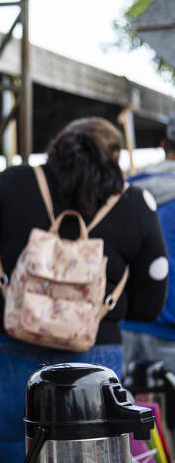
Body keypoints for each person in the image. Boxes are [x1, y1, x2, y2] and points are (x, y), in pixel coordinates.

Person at [0, 117, 168, 461]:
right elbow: (149, 302)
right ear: (112, 155)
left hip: (6, 351)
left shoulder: (14, 182)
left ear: (58, 146)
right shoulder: (134, 201)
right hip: (95, 362)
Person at [121, 115, 175, 372]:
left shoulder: (126, 189)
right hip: (170, 331)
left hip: (122, 325)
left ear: (164, 147)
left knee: (119, 410)